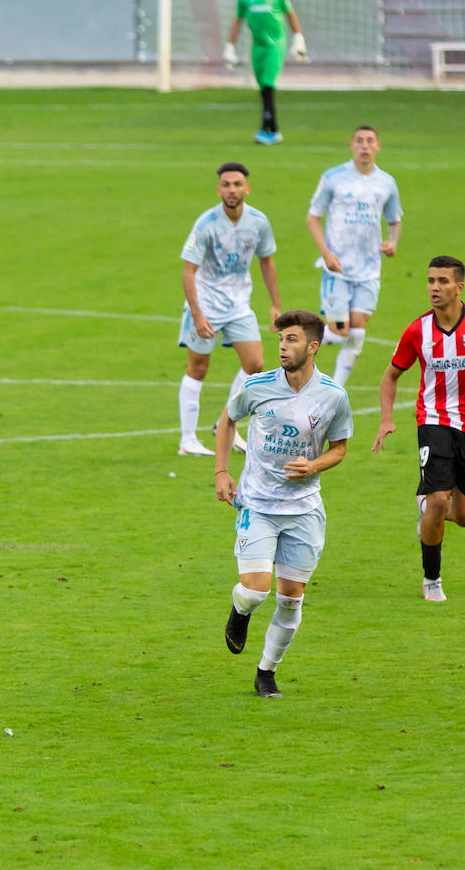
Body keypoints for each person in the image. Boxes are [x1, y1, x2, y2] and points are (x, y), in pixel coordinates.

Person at [372, 256, 465, 602]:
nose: (434, 288)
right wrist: (386, 418)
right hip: (434, 420)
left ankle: (426, 511)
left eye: (442, 281)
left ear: (459, 287)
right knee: (440, 499)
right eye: (430, 281)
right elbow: (391, 375)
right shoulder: (417, 330)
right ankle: (432, 579)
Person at [215, 310, 351, 698]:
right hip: (257, 504)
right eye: (280, 339)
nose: (282, 346)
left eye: (291, 340)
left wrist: (313, 464)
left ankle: (266, 672)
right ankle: (239, 612)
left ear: (312, 347)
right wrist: (221, 473)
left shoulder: (333, 397)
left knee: (291, 601)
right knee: (256, 591)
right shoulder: (257, 386)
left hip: (304, 511)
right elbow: (228, 420)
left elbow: (340, 448)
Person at [177, 162, 282, 457]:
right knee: (198, 368)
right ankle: (187, 440)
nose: (232, 189)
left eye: (237, 184)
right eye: (226, 184)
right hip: (206, 304)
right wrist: (197, 314)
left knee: (255, 364)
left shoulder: (258, 222)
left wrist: (275, 304)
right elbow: (188, 271)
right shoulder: (206, 223)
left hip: (238, 304)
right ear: (218, 189)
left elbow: (266, 261)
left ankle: (226, 424)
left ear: (247, 188)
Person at [306, 125, 403, 386]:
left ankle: (335, 392)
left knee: (357, 334)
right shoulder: (333, 177)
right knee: (339, 333)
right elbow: (313, 217)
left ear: (378, 146)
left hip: (369, 269)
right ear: (352, 145)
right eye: (359, 141)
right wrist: (325, 253)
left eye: (370, 141)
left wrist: (392, 243)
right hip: (337, 268)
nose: (364, 145)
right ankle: (300, 335)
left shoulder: (387, 183)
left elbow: (394, 221)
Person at [223, 0, 306, 146]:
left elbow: (290, 14)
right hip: (257, 46)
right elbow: (238, 21)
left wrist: (298, 37)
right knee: (263, 89)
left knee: (268, 85)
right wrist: (229, 46)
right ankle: (274, 130)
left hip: (275, 45)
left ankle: (265, 129)